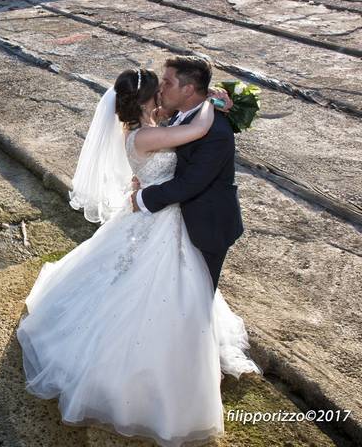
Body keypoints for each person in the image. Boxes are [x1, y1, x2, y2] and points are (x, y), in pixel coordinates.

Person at [17, 65, 259, 447]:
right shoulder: (151, 133)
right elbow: (194, 132)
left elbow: (186, 141)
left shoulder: (148, 126)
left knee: (169, 288)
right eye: (159, 85)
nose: (164, 89)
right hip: (159, 216)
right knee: (161, 289)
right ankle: (163, 373)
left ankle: (188, 354)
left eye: (168, 82)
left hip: (166, 216)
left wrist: (216, 106)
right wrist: (214, 104)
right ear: (149, 99)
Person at [133, 56, 243, 289]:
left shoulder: (216, 131)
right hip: (175, 221)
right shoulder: (181, 113)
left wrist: (142, 198)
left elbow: (190, 183)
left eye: (167, 83)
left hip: (207, 226)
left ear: (188, 89)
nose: (161, 89)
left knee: (197, 297)